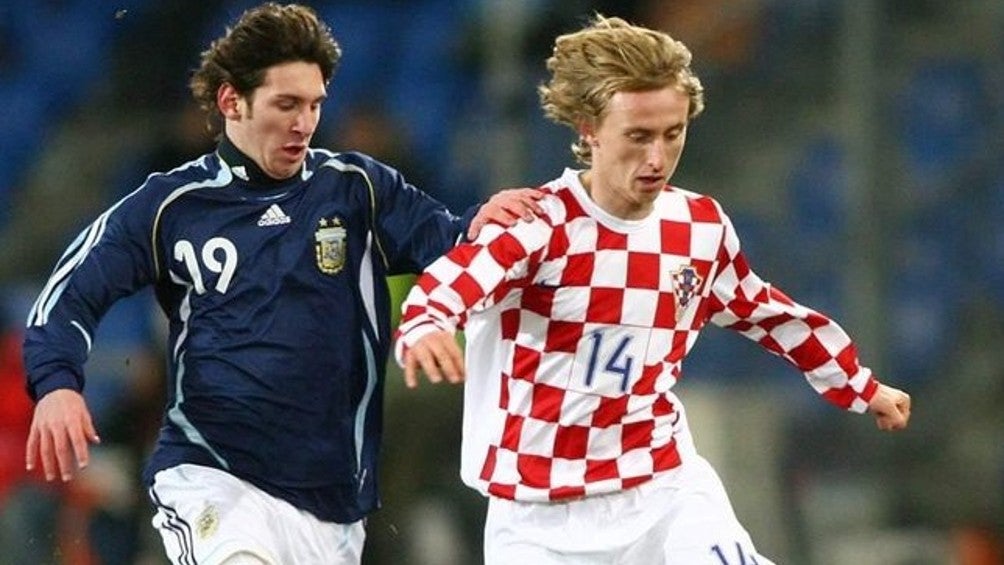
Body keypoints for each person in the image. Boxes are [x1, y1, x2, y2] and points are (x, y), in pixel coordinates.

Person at [22, 3, 542, 564]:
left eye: (315, 104)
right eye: (286, 104)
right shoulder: (171, 206)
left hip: (332, 501)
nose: (304, 123)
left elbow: (447, 239)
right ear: (232, 102)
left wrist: (481, 222)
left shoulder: (357, 188)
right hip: (215, 477)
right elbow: (70, 293)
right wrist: (57, 384)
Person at [394, 14, 912, 564]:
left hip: (663, 490)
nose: (658, 159)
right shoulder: (537, 223)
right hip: (538, 516)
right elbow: (453, 280)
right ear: (589, 129)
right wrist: (425, 325)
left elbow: (765, 313)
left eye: (673, 133)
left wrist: (859, 385)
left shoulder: (699, 226)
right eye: (638, 137)